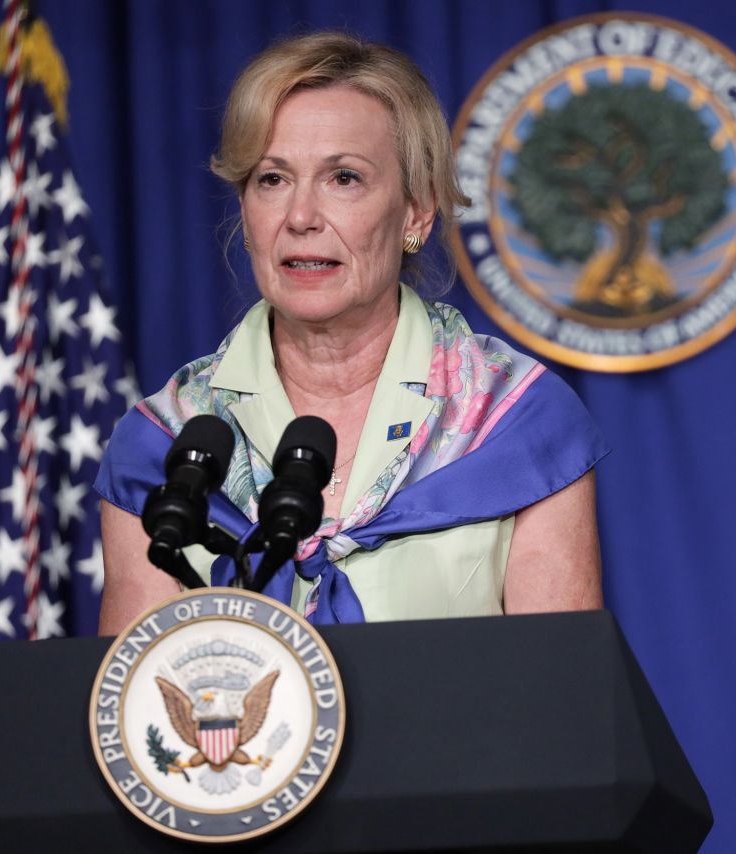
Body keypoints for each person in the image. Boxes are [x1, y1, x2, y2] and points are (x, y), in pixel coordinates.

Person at [95, 32, 607, 634]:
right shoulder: (169, 444)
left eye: (343, 178)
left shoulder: (518, 420)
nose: (302, 217)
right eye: (272, 179)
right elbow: (133, 708)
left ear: (416, 211)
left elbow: (557, 702)